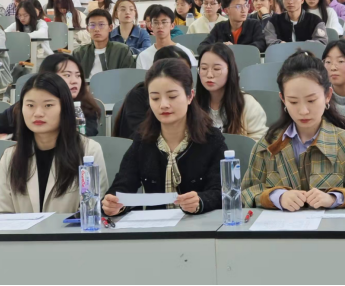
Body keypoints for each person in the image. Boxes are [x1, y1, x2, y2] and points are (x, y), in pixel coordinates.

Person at [241, 50, 345, 211]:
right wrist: (276, 197)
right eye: (293, 101)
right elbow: (246, 193)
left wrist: (334, 198)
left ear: (327, 95)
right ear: (283, 99)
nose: (303, 111)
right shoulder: (267, 146)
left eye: (311, 100)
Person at [102, 59, 228, 216]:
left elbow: (223, 192)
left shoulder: (211, 139)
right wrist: (113, 204)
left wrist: (201, 201)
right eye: (155, 98)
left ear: (190, 96)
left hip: (200, 225)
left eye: (172, 96)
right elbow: (122, 186)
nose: (163, 105)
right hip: (155, 227)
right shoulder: (142, 140)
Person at [0, 72, 108, 214]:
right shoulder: (10, 156)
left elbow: (92, 212)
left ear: (65, 108)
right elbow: (3, 214)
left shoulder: (89, 151)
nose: (38, 113)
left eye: (48, 105)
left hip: (69, 229)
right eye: (30, 105)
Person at [0, 53, 101, 140]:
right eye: (67, 75)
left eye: (78, 76)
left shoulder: (85, 109)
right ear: (48, 77)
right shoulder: (22, 108)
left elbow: (82, 138)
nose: (74, 81)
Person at [113, 46, 192, 139]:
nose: (164, 105)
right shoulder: (138, 96)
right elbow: (140, 135)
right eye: (155, 98)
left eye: (187, 71)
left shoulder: (187, 93)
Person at [197, 43, 268, 141]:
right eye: (204, 68)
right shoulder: (192, 103)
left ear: (230, 70)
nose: (209, 75)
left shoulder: (247, 104)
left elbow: (259, 141)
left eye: (216, 69)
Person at [73, 9, 136, 78]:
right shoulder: (79, 53)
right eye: (92, 25)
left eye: (101, 25)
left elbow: (128, 78)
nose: (96, 29)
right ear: (87, 29)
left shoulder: (122, 51)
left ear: (110, 28)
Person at [198, 0, 266, 53]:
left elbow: (261, 44)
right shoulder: (219, 27)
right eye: (238, 6)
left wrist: (235, 48)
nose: (244, 10)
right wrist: (221, 47)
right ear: (226, 10)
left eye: (245, 5)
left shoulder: (254, 24)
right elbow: (202, 46)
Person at [264, 0, 328, 47]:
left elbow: (322, 42)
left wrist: (303, 46)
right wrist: (281, 44)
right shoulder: (274, 21)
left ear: (302, 0)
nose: (290, 1)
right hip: (282, 53)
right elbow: (270, 41)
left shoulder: (315, 21)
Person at [137, 6, 197, 70]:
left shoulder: (185, 52)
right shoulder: (143, 56)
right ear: (151, 26)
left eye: (164, 22)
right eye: (156, 22)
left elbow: (193, 75)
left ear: (172, 25)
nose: (160, 26)